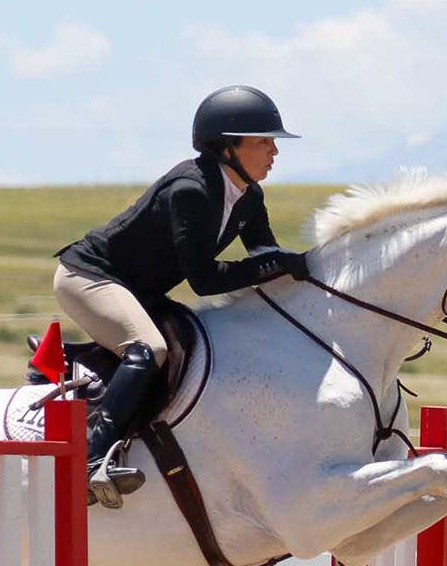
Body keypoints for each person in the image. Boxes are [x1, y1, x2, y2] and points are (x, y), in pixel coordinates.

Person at [53, 85, 311, 506]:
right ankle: (88, 458)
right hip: (89, 277)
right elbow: (205, 281)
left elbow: (265, 257)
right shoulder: (192, 190)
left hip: (137, 290)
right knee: (148, 348)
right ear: (228, 147)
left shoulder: (248, 197)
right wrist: (277, 264)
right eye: (264, 141)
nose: (274, 152)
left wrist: (304, 269)